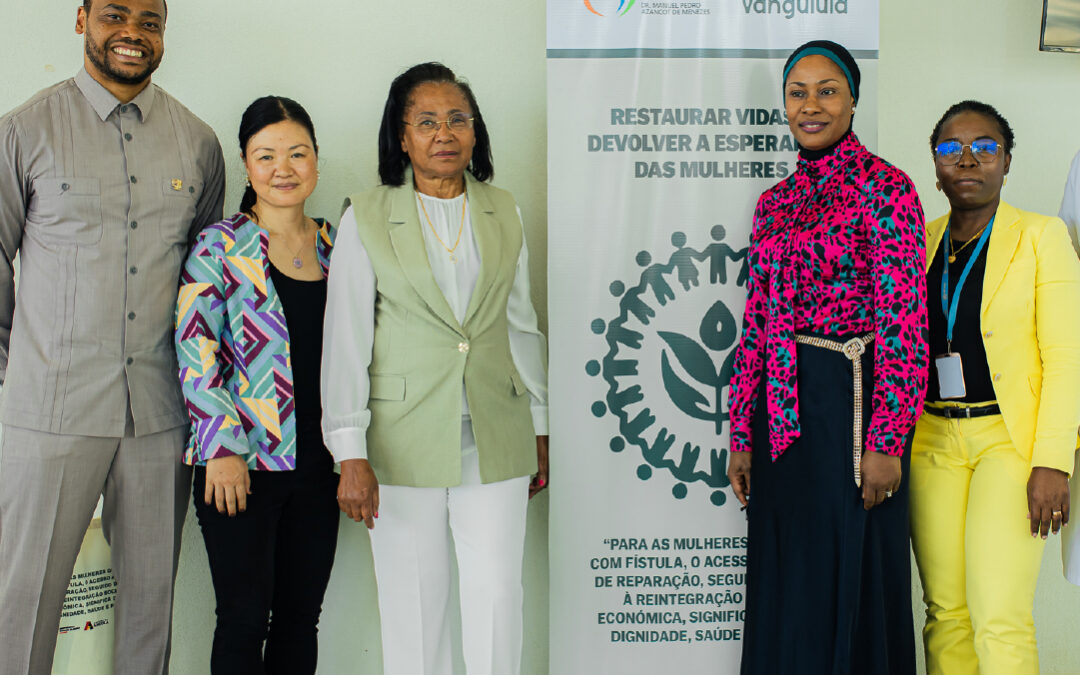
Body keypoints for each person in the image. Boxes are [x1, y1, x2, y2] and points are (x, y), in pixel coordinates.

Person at [0, 1, 225, 673]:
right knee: (22, 602)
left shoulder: (198, 143)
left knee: (150, 608)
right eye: (115, 14)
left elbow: (205, 283)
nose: (133, 32)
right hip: (50, 411)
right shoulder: (25, 130)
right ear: (82, 20)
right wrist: (15, 369)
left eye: (150, 20)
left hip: (160, 414)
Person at [321, 61, 549, 675]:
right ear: (401, 137)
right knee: (414, 605)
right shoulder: (366, 216)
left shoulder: (504, 210)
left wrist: (540, 422)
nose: (444, 133)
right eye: (426, 122)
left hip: (496, 431)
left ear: (475, 131)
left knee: (498, 595)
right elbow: (345, 339)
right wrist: (349, 449)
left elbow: (521, 324)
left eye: (457, 119)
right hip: (399, 440)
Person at [725, 40, 927, 674]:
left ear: (853, 101)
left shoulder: (887, 188)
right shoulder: (774, 202)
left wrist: (887, 441)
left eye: (827, 90)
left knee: (853, 571)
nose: (810, 105)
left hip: (852, 407)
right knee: (789, 578)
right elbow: (757, 323)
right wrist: (741, 434)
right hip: (781, 413)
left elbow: (905, 321)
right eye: (798, 92)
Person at [910, 100, 1080, 675]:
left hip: (1009, 442)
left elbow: (1067, 358)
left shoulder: (1041, 236)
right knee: (946, 614)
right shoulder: (917, 242)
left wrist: (1053, 462)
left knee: (999, 617)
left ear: (1006, 162)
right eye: (951, 148)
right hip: (931, 440)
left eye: (985, 147)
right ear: (935, 166)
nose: (967, 159)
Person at [175, 96, 337, 674]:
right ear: (247, 165)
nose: (282, 169)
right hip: (240, 465)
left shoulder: (338, 246)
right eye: (266, 156)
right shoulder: (219, 245)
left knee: (300, 619)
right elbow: (194, 348)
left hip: (321, 464)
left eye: (297, 153)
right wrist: (220, 448)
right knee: (244, 620)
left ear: (316, 159)